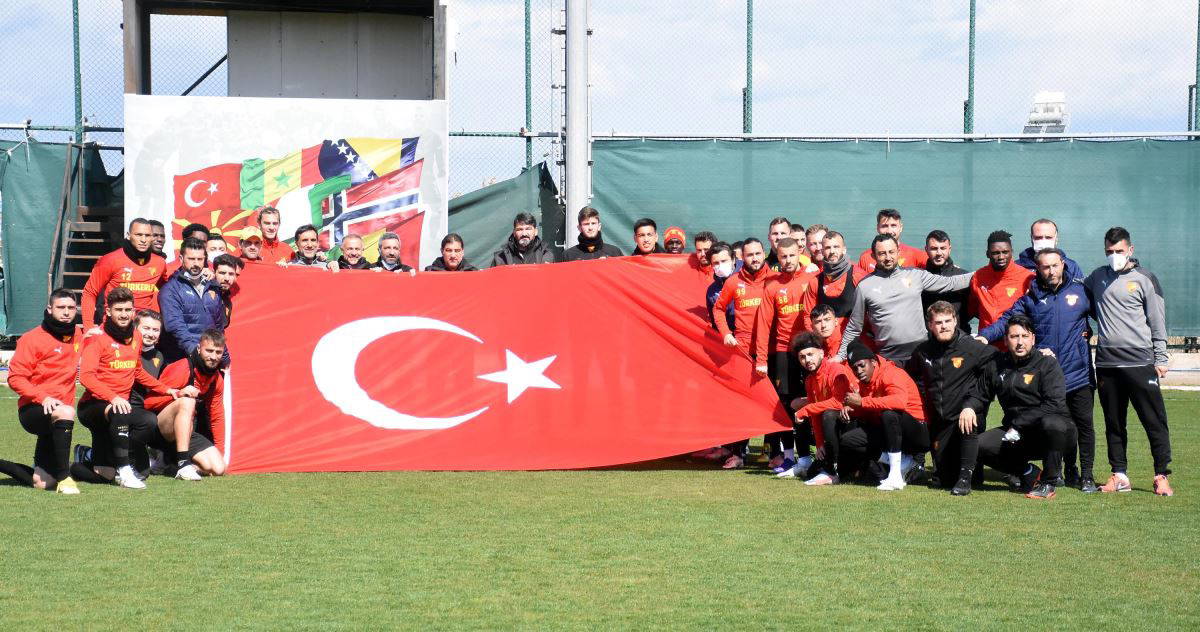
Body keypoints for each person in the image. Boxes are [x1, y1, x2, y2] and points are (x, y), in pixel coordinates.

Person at [979, 249, 1096, 492]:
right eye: (1045, 267)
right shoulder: (1031, 297)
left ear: (1063, 265)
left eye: (1055, 266)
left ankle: (1084, 475)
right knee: (1053, 424)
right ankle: (1056, 473)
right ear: (1038, 269)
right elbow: (1008, 321)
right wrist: (985, 336)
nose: (1051, 271)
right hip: (1048, 376)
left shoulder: (1081, 291)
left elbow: (1104, 315)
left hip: (1077, 373)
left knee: (1083, 426)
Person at [1083, 227, 1173, 496]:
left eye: (1119, 251)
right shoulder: (1096, 277)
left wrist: (1161, 357)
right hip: (1107, 364)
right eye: (1109, 251)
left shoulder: (1145, 278)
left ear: (1130, 250)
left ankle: (1161, 474)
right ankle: (1119, 475)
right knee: (1114, 423)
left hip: (1140, 362)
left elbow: (1157, 321)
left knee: (1153, 420)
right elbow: (1080, 302)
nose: (1114, 256)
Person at [74, 287, 185, 489]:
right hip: (93, 406)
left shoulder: (136, 336)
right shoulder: (96, 337)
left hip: (119, 409)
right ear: (108, 311)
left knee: (147, 424)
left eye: (128, 309)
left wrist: (166, 389)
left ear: (133, 311)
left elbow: (137, 371)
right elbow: (87, 377)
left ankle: (80, 463)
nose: (124, 314)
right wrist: (113, 397)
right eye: (119, 309)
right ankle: (124, 471)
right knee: (120, 412)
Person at [968, 315, 1075, 500]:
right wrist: (968, 407)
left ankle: (1048, 483)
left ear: (1033, 339)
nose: (1020, 342)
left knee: (1052, 423)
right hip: (1017, 434)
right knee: (977, 445)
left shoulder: (1047, 363)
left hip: (1055, 434)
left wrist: (1019, 423)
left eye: (1025, 336)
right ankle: (1029, 472)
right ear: (1005, 340)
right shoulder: (996, 365)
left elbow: (1054, 404)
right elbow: (980, 394)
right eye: (1014, 336)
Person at [837, 234, 973, 365]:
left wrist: (980, 273)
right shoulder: (864, 286)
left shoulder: (916, 275)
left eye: (891, 252)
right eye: (882, 253)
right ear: (873, 256)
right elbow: (854, 327)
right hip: (888, 357)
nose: (888, 257)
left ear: (898, 252)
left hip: (922, 352)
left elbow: (951, 283)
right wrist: (841, 356)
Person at [906, 301, 996, 494]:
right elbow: (910, 376)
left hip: (966, 414)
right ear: (930, 325)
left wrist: (974, 402)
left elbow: (999, 364)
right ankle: (969, 470)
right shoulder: (922, 351)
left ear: (955, 321)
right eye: (938, 322)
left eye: (948, 321)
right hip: (940, 422)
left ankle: (965, 478)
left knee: (969, 420)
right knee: (943, 479)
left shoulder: (971, 347)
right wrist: (922, 399)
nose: (944, 326)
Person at [0, 289, 84, 493]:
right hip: (34, 409)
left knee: (42, 483)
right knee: (65, 411)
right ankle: (65, 478)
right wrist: (42, 397)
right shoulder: (32, 338)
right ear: (50, 309)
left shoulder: (78, 335)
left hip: (59, 418)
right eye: (61, 307)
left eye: (71, 307)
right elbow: (15, 378)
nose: (66, 312)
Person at [754, 237, 818, 471]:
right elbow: (763, 325)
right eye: (783, 256)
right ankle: (790, 457)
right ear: (777, 257)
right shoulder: (772, 285)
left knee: (812, 400)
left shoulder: (812, 278)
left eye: (792, 255)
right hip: (783, 351)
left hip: (809, 350)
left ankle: (813, 454)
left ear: (800, 252)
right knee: (785, 404)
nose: (788, 260)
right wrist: (761, 359)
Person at [710, 237, 773, 468]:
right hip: (743, 352)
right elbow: (718, 309)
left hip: (771, 349)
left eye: (757, 254)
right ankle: (738, 453)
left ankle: (773, 452)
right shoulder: (734, 282)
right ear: (742, 257)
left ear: (764, 253)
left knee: (774, 402)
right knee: (741, 403)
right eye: (749, 255)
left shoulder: (775, 279)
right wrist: (726, 333)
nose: (754, 258)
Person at [839, 341, 930, 490]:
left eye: (862, 365)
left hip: (917, 433)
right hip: (892, 432)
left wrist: (862, 402)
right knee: (848, 440)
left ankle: (895, 475)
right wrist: (852, 410)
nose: (859, 371)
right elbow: (870, 411)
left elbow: (899, 402)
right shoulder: (864, 383)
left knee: (889, 414)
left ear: (873, 362)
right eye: (854, 368)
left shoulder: (891, 373)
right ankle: (905, 464)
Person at [140, 329, 230, 478]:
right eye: (209, 351)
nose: (213, 357)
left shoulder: (216, 379)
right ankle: (181, 463)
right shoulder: (182, 368)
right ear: (199, 349)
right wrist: (178, 393)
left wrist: (220, 451)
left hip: (186, 432)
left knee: (218, 468)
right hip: (160, 429)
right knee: (187, 402)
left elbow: (217, 416)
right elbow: (148, 403)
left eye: (218, 352)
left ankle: (168, 463)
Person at [787, 332, 857, 484]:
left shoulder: (835, 369)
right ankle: (818, 463)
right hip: (833, 426)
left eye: (810, 354)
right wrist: (819, 444)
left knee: (828, 414)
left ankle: (834, 469)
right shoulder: (809, 380)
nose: (807, 360)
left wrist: (806, 409)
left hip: (853, 423)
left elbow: (838, 402)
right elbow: (815, 413)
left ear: (821, 353)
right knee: (811, 473)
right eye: (802, 357)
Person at [80, 217, 167, 329]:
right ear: (128, 235)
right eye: (139, 235)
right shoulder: (109, 260)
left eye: (147, 235)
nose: (143, 240)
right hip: (115, 326)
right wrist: (88, 327)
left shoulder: (159, 263)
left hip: (143, 329)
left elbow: (167, 290)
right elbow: (89, 292)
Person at [159, 238, 226, 363]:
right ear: (181, 259)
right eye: (191, 259)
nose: (196, 263)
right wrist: (195, 352)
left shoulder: (212, 286)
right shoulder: (170, 289)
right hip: (183, 359)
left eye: (200, 259)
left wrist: (224, 357)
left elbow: (218, 328)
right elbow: (175, 326)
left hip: (210, 360)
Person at [968, 230, 1033, 342]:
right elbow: (972, 308)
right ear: (987, 254)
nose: (1001, 257)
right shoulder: (978, 277)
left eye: (1005, 252)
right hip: (986, 342)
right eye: (995, 253)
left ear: (1012, 252)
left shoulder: (1027, 277)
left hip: (1015, 344)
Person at [816, 231, 868, 334]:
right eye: (828, 248)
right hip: (825, 340)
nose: (832, 251)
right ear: (822, 251)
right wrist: (817, 339)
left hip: (854, 339)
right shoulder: (816, 281)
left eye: (836, 247)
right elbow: (808, 315)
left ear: (844, 249)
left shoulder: (858, 276)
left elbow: (872, 310)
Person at [922, 230, 970, 332]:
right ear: (926, 249)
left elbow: (972, 310)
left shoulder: (963, 277)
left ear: (949, 249)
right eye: (934, 248)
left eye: (943, 248)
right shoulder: (920, 278)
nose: (939, 253)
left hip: (959, 337)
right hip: (928, 338)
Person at [857, 209, 928, 273]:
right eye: (884, 226)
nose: (889, 231)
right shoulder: (865, 257)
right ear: (878, 228)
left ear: (900, 227)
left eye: (893, 225)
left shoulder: (918, 256)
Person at [1016, 218, 1084, 282]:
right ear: (1032, 238)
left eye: (1048, 237)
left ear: (1056, 239)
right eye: (1038, 237)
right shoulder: (1017, 266)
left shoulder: (1070, 266)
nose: (1043, 241)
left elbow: (1079, 288)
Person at [705, 242, 741, 333]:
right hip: (731, 338)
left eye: (724, 261)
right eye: (716, 263)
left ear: (733, 259)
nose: (720, 266)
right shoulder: (712, 292)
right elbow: (715, 324)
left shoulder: (750, 275)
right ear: (711, 265)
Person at [212, 254, 243, 328]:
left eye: (231, 274)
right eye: (222, 273)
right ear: (214, 273)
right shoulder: (203, 293)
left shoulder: (226, 299)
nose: (227, 278)